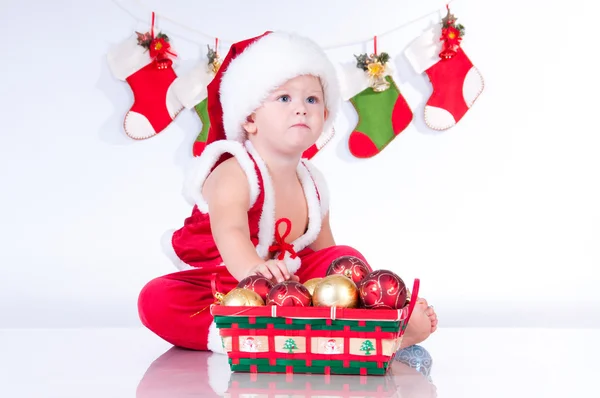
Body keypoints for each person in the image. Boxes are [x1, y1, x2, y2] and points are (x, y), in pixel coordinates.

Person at [138, 31, 438, 353]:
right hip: (228, 285)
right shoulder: (234, 171)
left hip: (290, 289)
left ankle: (382, 327)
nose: (301, 109)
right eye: (284, 98)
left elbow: (327, 255)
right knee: (156, 298)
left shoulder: (313, 184)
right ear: (250, 118)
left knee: (344, 258)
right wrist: (254, 271)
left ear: (324, 117)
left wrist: (341, 286)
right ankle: (261, 334)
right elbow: (231, 230)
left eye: (312, 99)